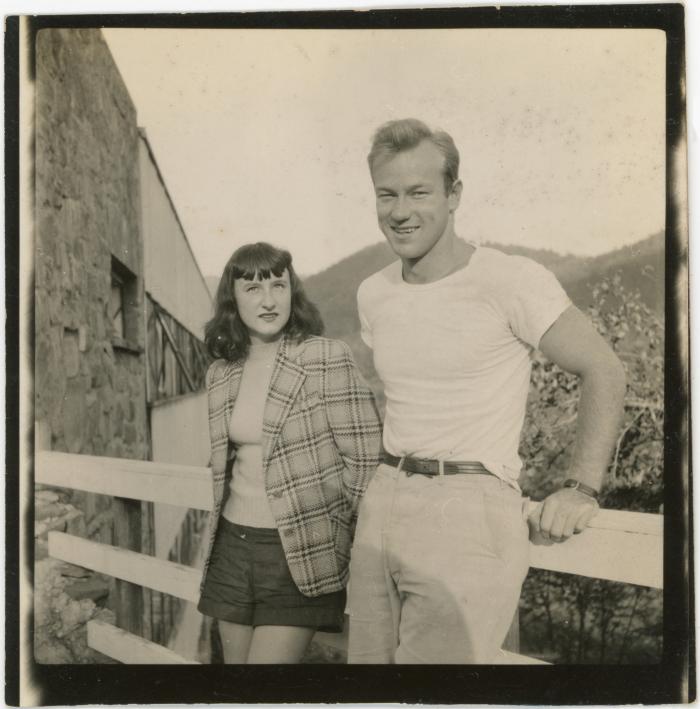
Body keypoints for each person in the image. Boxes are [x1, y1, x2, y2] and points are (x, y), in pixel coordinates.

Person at [347, 118, 627, 664]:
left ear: (454, 194)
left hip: (469, 507)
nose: (400, 211)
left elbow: (603, 368)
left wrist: (582, 486)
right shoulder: (373, 293)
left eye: (419, 192)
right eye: (387, 195)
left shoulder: (508, 279)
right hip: (383, 501)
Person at [198, 242, 382, 664]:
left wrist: (332, 533)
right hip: (231, 545)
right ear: (233, 299)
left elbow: (366, 461)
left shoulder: (325, 358)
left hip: (299, 550)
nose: (268, 301)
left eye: (278, 286)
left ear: (292, 292)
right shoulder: (221, 373)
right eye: (253, 289)